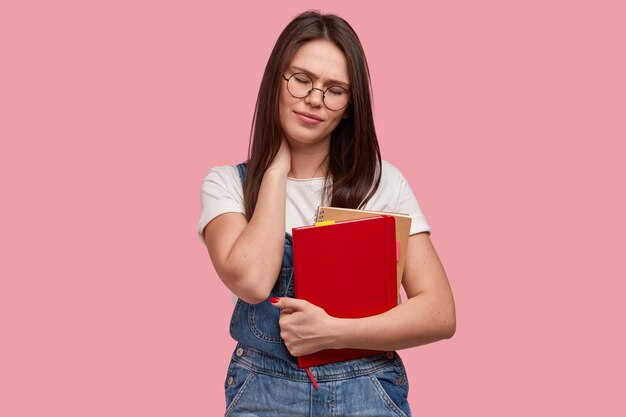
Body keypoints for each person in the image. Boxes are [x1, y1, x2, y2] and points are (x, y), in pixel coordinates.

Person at [198, 10, 455, 416]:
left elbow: (439, 312)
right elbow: (252, 280)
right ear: (276, 82)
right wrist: (277, 171)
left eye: (335, 89)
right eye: (301, 80)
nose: (315, 99)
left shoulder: (381, 183)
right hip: (264, 394)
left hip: (367, 388)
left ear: (350, 107)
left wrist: (334, 332)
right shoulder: (227, 184)